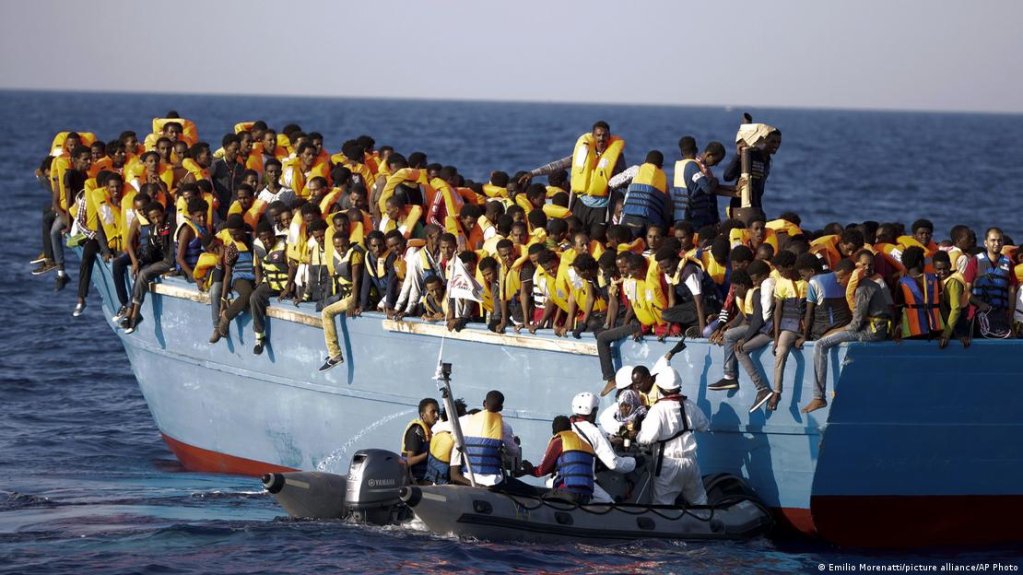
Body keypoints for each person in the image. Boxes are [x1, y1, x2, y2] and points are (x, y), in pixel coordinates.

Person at [806, 253, 893, 413]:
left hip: (871, 332)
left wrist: (834, 331)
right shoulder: (865, 284)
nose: (838, 281)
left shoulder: (863, 289)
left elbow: (856, 325)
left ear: (850, 275)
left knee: (820, 344)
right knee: (826, 339)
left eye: (840, 278)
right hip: (869, 328)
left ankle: (819, 397)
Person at [524, 121, 627, 229]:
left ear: (609, 137)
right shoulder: (583, 153)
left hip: (602, 207)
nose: (601, 138)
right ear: (593, 136)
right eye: (598, 135)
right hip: (581, 203)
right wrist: (533, 173)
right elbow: (559, 165)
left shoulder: (617, 157)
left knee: (597, 235)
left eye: (604, 135)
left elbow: (624, 177)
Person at [636, 362, 710, 506]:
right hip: (690, 462)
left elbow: (647, 438)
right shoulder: (690, 405)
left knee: (662, 507)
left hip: (668, 464)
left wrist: (637, 435)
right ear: (678, 386)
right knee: (700, 502)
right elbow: (705, 426)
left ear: (660, 387)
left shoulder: (658, 409)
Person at [565, 392, 638, 503]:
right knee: (610, 506)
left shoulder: (566, 427)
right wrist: (634, 462)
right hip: (581, 481)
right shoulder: (594, 431)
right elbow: (614, 463)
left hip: (560, 479)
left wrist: (609, 441)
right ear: (593, 411)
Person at [449, 390, 523, 489]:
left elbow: (437, 427)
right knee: (527, 489)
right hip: (494, 481)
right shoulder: (505, 427)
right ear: (501, 408)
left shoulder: (465, 421)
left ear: (484, 403)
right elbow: (514, 452)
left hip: (468, 477)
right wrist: (515, 443)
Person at [123, 202, 175, 334]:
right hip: (162, 260)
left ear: (163, 214)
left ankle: (134, 314)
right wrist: (137, 263)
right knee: (141, 272)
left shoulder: (170, 223)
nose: (157, 220)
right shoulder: (153, 230)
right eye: (153, 218)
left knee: (144, 274)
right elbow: (151, 252)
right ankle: (131, 313)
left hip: (170, 261)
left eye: (159, 216)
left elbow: (171, 251)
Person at [963, 227, 1018, 338]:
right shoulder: (975, 262)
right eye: (993, 240)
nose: (997, 243)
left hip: (1001, 316)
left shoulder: (1009, 264)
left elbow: (1012, 291)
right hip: (978, 315)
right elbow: (966, 291)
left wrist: (1010, 318)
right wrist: (980, 304)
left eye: (999, 240)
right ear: (985, 243)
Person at [670, 138, 734, 229]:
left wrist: (734, 190)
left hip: (683, 214)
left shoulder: (683, 165)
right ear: (709, 155)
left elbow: (712, 188)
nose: (716, 165)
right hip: (694, 217)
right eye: (716, 161)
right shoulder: (696, 166)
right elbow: (708, 189)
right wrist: (716, 180)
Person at [893, 246, 943, 340]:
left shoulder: (901, 282)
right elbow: (943, 305)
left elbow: (898, 310)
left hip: (912, 331)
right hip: (936, 331)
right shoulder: (935, 279)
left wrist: (896, 329)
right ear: (920, 262)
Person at [620, 150, 671, 238]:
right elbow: (667, 205)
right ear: (661, 166)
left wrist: (628, 187)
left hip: (630, 217)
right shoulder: (664, 179)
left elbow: (612, 183)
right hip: (651, 222)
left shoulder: (637, 169)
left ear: (645, 162)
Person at [423, 399, 468, 485]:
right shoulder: (455, 439)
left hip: (428, 482)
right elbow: (455, 475)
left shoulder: (436, 433)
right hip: (443, 487)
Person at [933, 250, 971, 349]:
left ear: (950, 265)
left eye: (945, 268)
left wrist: (946, 334)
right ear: (934, 268)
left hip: (958, 324)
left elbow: (956, 309)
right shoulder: (941, 280)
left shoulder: (953, 282)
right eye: (939, 269)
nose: (942, 272)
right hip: (950, 323)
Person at [401, 398, 440, 484]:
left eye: (438, 411)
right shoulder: (416, 432)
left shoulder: (430, 431)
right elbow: (408, 461)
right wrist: (429, 454)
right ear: (423, 415)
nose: (437, 415)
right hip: (415, 481)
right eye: (433, 412)